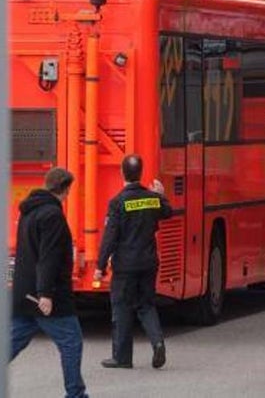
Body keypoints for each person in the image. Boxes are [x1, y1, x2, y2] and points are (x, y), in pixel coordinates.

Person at [10, 167, 88, 398]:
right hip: (48, 294)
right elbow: (49, 256)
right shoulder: (52, 215)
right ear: (64, 189)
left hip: (24, 291)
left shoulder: (28, 212)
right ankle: (75, 394)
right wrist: (46, 293)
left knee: (12, 342)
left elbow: (27, 252)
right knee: (71, 342)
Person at [95, 154, 173, 369]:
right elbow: (168, 213)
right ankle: (157, 343)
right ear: (140, 173)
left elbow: (110, 237)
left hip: (125, 265)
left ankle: (122, 357)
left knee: (121, 306)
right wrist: (162, 195)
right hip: (148, 263)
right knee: (146, 305)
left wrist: (100, 266)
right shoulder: (152, 199)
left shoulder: (118, 203)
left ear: (122, 173)